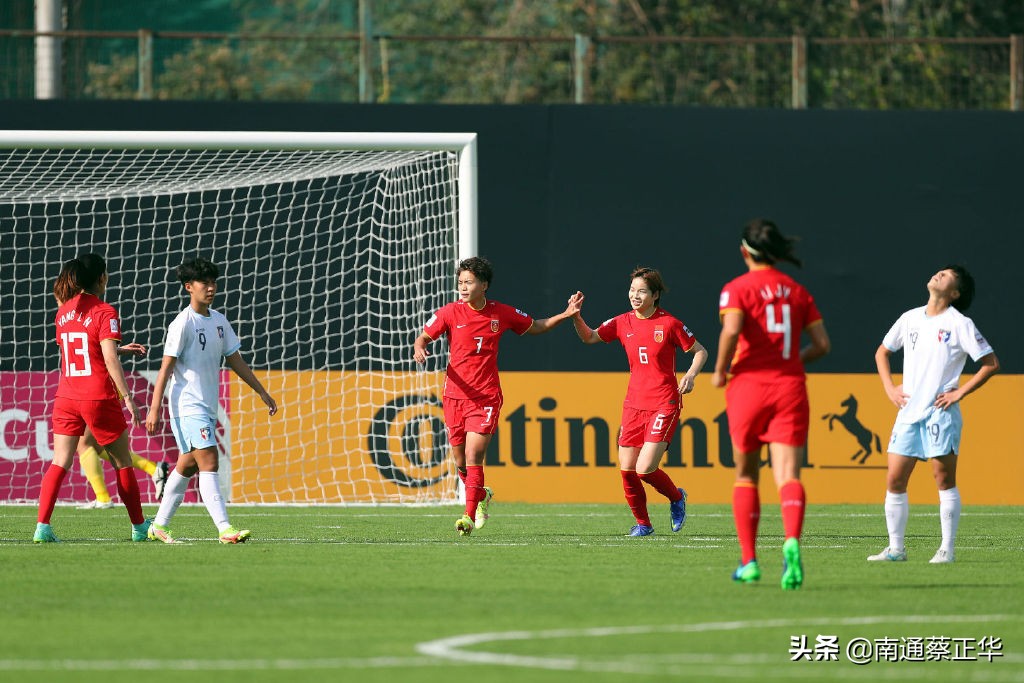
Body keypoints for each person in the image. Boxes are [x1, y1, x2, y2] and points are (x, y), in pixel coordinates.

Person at [413, 256, 582, 536]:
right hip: (455, 396)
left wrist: (564, 315)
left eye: (469, 282)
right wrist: (419, 347)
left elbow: (535, 326)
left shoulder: (500, 313)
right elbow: (423, 337)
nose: (463, 287)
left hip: (486, 397)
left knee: (473, 454)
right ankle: (481, 494)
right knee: (458, 460)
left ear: (484, 285)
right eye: (460, 282)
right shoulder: (449, 312)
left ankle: (468, 516)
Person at [711, 219, 831, 590]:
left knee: (746, 475)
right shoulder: (797, 290)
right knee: (789, 476)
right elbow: (823, 345)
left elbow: (731, 331)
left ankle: (749, 562)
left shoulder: (736, 288)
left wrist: (719, 372)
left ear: (745, 251)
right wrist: (792, 360)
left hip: (749, 385)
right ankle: (791, 541)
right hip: (789, 387)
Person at [868, 265, 998, 564]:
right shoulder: (910, 318)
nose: (940, 273)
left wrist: (958, 392)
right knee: (895, 479)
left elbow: (990, 363)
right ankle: (896, 549)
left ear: (955, 292)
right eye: (940, 270)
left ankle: (946, 549)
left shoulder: (959, 323)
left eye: (949, 275)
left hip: (940, 414)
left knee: (943, 479)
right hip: (908, 413)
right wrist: (889, 389)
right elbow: (882, 352)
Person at [145, 257, 278, 544]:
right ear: (188, 287)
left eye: (213, 282)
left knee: (188, 465)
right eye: (204, 283)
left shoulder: (219, 321)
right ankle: (225, 528)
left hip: (206, 406)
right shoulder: (182, 323)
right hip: (187, 405)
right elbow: (166, 368)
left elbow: (235, 361)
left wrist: (261, 391)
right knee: (209, 460)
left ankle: (159, 525)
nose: (210, 287)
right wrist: (154, 408)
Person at [570, 267, 708, 536]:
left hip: (664, 402)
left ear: (655, 295)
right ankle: (644, 525)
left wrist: (691, 375)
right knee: (627, 470)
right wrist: (576, 318)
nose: (634, 295)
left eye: (641, 291)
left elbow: (700, 351)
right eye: (632, 290)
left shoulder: (669, 324)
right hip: (633, 404)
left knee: (645, 469)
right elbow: (589, 336)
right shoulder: (623, 322)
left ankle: (676, 497)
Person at [34, 254, 151, 543]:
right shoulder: (105, 311)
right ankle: (139, 527)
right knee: (122, 461)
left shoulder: (63, 313)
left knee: (60, 460)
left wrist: (121, 349)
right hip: (97, 396)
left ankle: (42, 527)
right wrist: (127, 397)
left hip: (66, 395)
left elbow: (80, 349)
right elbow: (108, 358)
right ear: (102, 278)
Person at [72, 341, 169, 509]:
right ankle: (153, 469)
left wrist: (128, 397)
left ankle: (103, 498)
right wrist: (120, 350)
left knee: (84, 444)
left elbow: (100, 351)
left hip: (99, 386)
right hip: (99, 384)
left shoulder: (97, 317)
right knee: (95, 445)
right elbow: (96, 348)